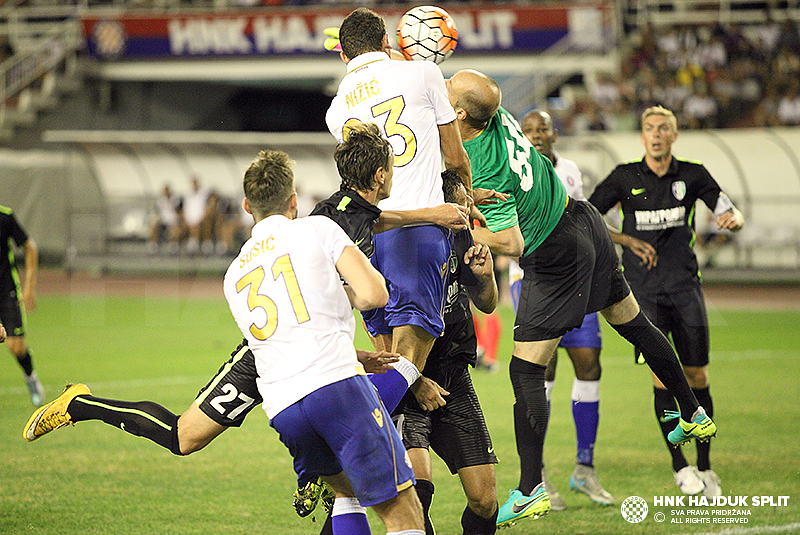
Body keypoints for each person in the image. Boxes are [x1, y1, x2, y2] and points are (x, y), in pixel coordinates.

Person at [23, 126, 470, 533]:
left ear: (246, 207)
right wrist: (405, 367)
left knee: (343, 485)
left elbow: (375, 225)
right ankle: (80, 404)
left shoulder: (243, 267)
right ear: (295, 200)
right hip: (274, 356)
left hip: (286, 375)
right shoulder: (324, 225)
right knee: (185, 436)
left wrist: (430, 214)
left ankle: (326, 465)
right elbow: (368, 292)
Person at [445, 70, 717, 528]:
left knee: (524, 369)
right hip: (583, 219)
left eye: (449, 86)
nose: (443, 84)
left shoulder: (479, 158)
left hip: (553, 255)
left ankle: (531, 488)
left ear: (458, 113)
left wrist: (456, 225)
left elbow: (510, 242)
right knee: (635, 325)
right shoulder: (497, 115)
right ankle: (692, 411)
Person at [589, 105, 744, 498]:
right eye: (649, 128)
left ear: (674, 136)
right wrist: (625, 240)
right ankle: (681, 466)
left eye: (663, 128)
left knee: (698, 377)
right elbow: (589, 216)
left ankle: (707, 467)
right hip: (643, 296)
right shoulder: (624, 177)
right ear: (642, 136)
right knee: (662, 379)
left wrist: (733, 218)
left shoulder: (692, 174)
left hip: (686, 288)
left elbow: (725, 207)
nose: (656, 134)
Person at [325, 8, 472, 399]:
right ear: (387, 42)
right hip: (420, 233)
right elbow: (455, 159)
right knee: (409, 360)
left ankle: (387, 451)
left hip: (367, 238)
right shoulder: (423, 73)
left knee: (387, 358)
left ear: (343, 56)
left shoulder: (336, 110)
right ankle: (356, 439)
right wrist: (466, 213)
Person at [510, 108, 638, 508]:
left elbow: (584, 220)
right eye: (529, 130)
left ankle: (585, 468)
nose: (536, 135)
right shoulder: (515, 171)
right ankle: (539, 475)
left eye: (542, 128)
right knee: (541, 370)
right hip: (534, 281)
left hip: (575, 279)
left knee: (589, 363)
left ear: (554, 133)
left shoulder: (570, 172)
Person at [392, 169, 499, 535]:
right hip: (409, 384)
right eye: (463, 203)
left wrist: (485, 277)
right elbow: (377, 327)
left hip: (454, 379)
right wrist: (415, 380)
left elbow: (487, 305)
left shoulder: (462, 239)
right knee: (417, 494)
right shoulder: (405, 247)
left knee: (485, 502)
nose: (471, 211)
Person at [1, 205, 44, 406]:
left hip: (6, 291)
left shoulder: (5, 217)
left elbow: (30, 247)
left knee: (15, 346)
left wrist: (29, 287)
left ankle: (30, 377)